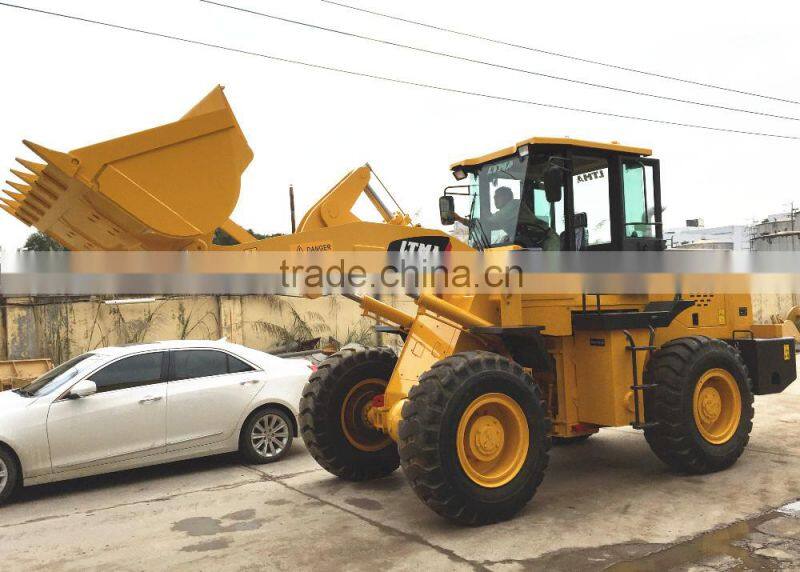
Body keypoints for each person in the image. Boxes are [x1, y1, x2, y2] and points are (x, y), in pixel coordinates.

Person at [454, 186, 559, 250]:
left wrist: (460, 219)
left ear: (507, 197)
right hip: (531, 244)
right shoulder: (503, 214)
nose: (494, 198)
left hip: (547, 242)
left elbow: (486, 224)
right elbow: (487, 226)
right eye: (494, 196)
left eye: (497, 196)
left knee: (551, 277)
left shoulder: (514, 205)